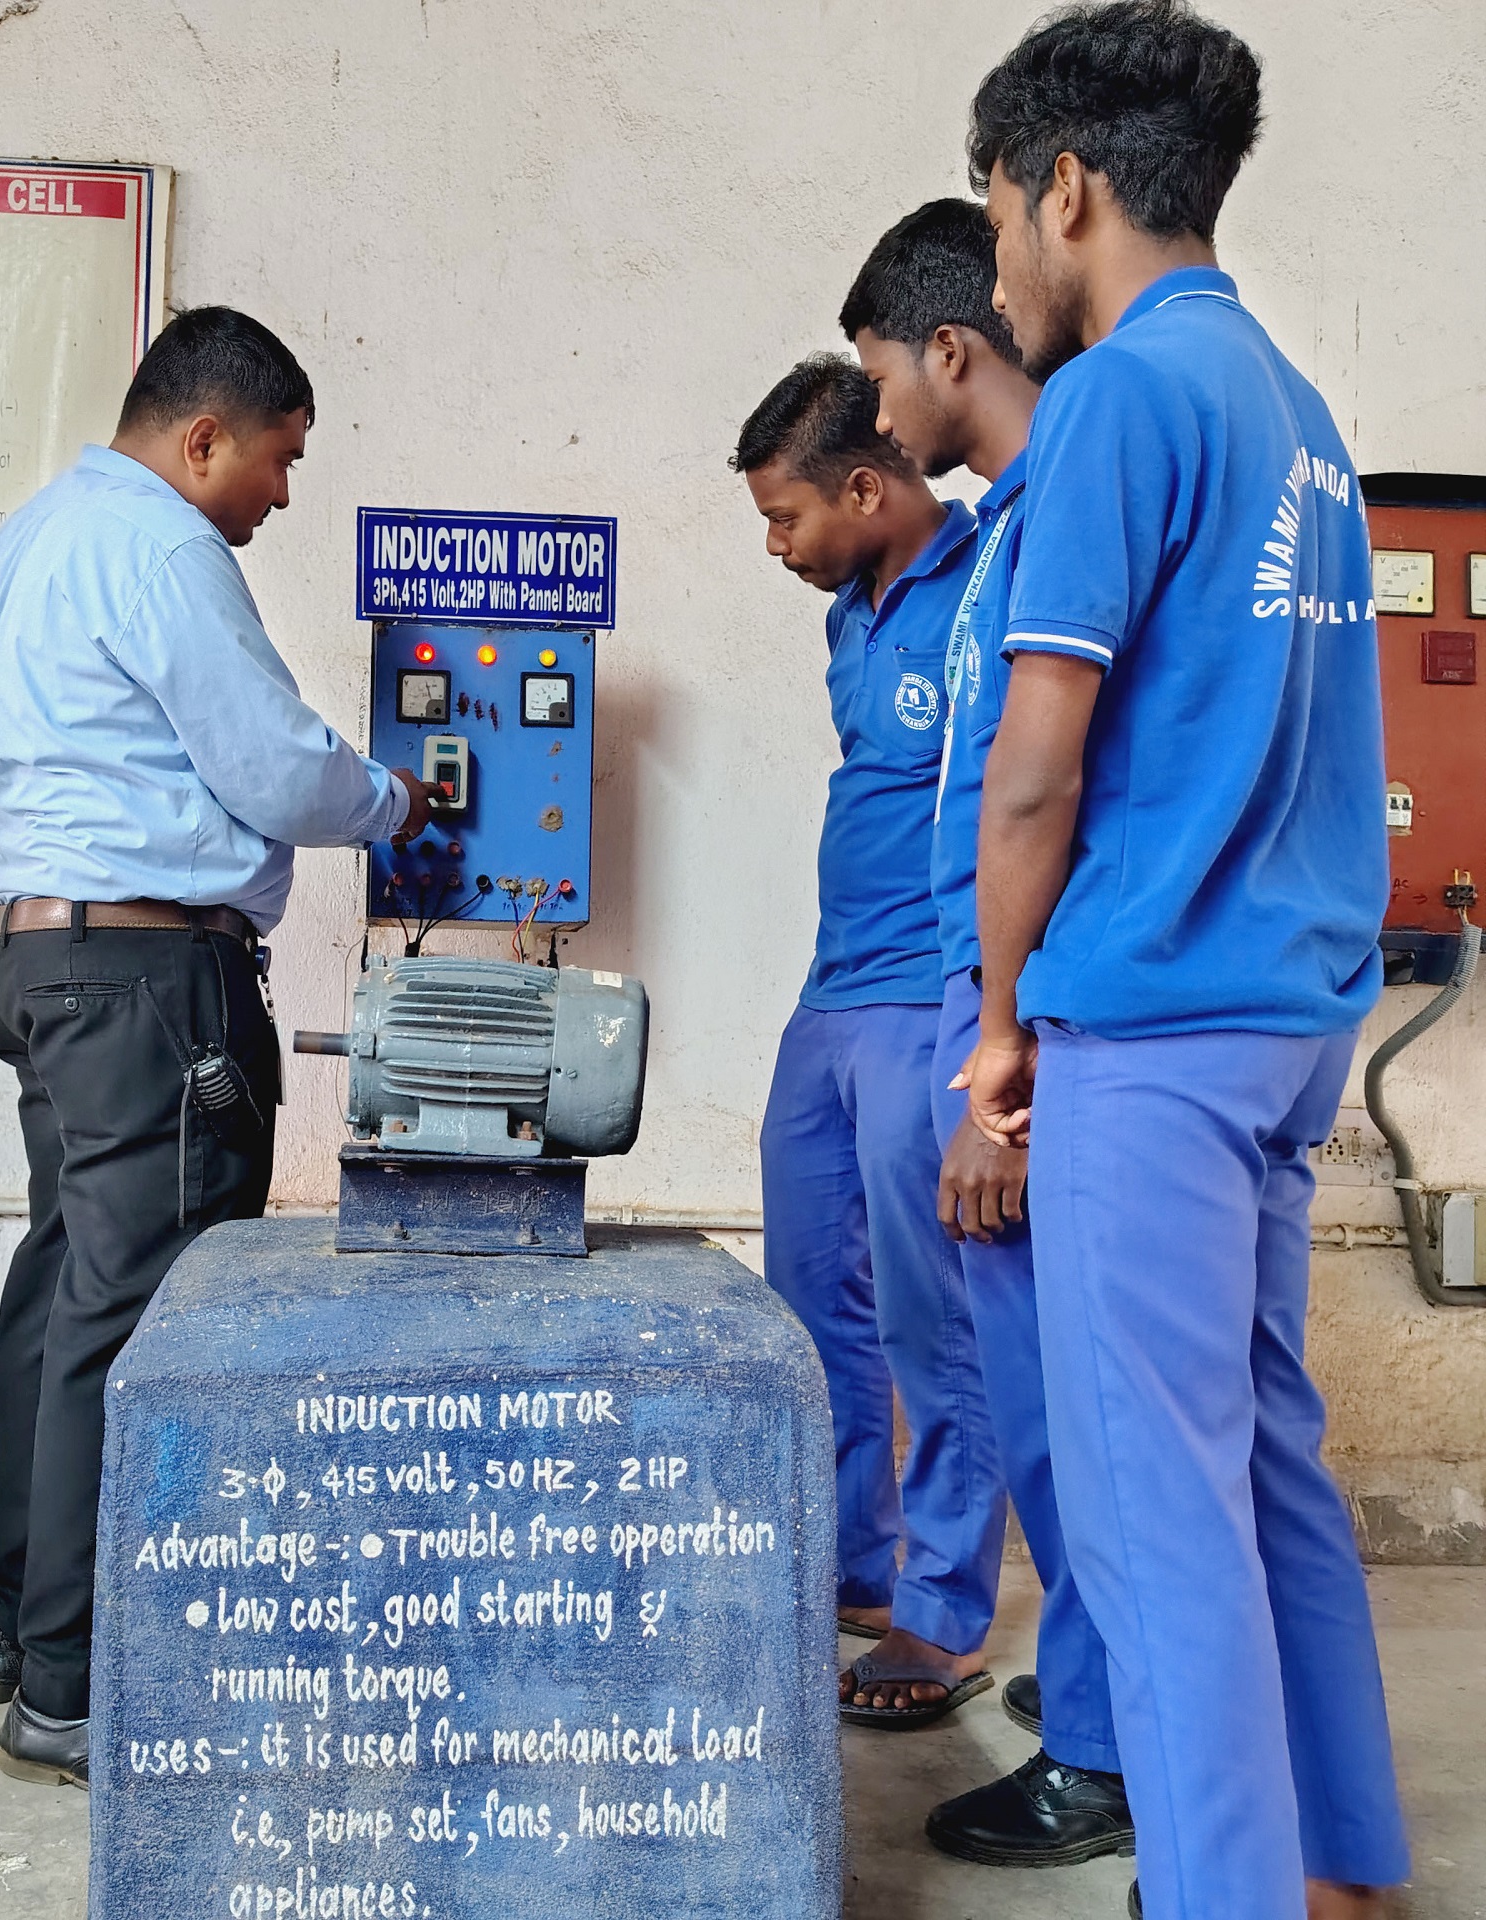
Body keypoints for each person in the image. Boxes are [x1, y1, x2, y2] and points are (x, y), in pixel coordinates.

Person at [962, 5, 1408, 1915]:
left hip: (1153, 1027)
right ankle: (1340, 1866)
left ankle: (1227, 1890)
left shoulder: (1117, 401)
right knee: (1268, 1462)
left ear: (1066, 190)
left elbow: (1036, 766)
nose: (996, 267)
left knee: (1156, 1509)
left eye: (999, 217)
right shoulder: (1299, 416)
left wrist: (998, 1018)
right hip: (1289, 1023)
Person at [0, 306, 438, 1787]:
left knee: (63, 1284)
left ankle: (16, 1620)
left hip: (41, 960)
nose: (281, 496)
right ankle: (75, 1685)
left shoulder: (25, 540)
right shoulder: (165, 547)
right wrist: (394, 801)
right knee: (137, 1311)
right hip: (147, 975)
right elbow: (273, 766)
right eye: (279, 461)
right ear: (204, 436)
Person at [844, 196, 1134, 1870]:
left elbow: (1046, 796)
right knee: (1034, 1402)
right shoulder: (1007, 529)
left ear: (950, 350)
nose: (880, 416)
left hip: (1022, 1015)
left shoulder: (1051, 520)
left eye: (884, 375)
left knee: (1061, 1414)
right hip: (982, 991)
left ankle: (1097, 1751)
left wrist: (999, 1057)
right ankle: (1095, 1690)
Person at [733, 356, 1007, 1728]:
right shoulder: (852, 613)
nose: (776, 547)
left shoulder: (988, 584)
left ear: (863, 487)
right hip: (831, 992)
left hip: (925, 995)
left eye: (785, 519)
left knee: (930, 1307)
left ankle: (941, 1610)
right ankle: (855, 1559)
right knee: (807, 1288)